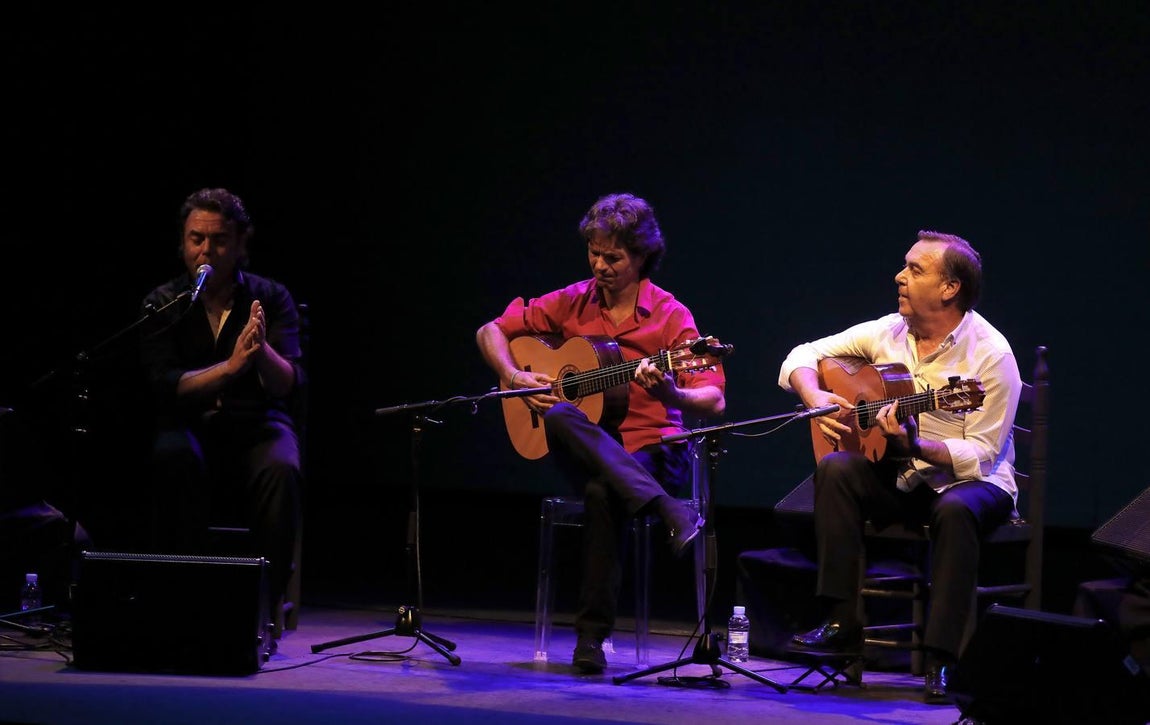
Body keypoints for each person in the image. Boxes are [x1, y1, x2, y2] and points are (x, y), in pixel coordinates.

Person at [476, 192, 726, 674]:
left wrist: (672, 395)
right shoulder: (573, 299)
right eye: (594, 252)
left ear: (641, 256)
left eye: (613, 256)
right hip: (587, 445)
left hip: (652, 449)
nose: (600, 264)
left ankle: (590, 640)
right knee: (559, 416)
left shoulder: (672, 316)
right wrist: (512, 376)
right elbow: (490, 330)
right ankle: (665, 508)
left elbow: (713, 400)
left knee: (601, 493)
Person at [779, 230, 1020, 704]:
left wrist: (916, 444)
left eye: (915, 269)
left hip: (974, 484)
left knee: (954, 509)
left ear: (949, 288)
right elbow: (801, 355)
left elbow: (982, 456)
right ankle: (841, 625)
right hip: (904, 478)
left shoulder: (992, 355)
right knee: (835, 471)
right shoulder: (888, 330)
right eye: (904, 267)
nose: (899, 276)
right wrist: (816, 395)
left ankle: (942, 659)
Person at [138, 187, 304, 611]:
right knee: (174, 458)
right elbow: (166, 386)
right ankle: (181, 596)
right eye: (197, 239)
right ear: (183, 242)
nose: (206, 250)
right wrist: (230, 369)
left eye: (219, 240)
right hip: (187, 424)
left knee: (282, 465)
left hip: (256, 424)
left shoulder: (270, 297)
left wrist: (261, 348)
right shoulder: (162, 302)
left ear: (241, 243)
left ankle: (265, 602)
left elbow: (288, 383)